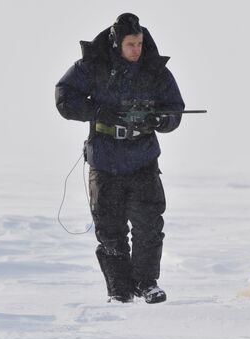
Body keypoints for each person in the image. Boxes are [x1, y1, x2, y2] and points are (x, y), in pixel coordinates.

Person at [55, 13, 185, 303]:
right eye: (130, 44)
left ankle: (147, 284)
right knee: (110, 230)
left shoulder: (155, 70)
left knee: (149, 226)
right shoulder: (91, 67)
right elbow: (64, 97)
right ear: (117, 44)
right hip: (104, 162)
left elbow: (175, 107)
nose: (136, 50)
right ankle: (120, 291)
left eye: (139, 43)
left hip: (143, 161)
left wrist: (162, 121)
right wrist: (97, 112)